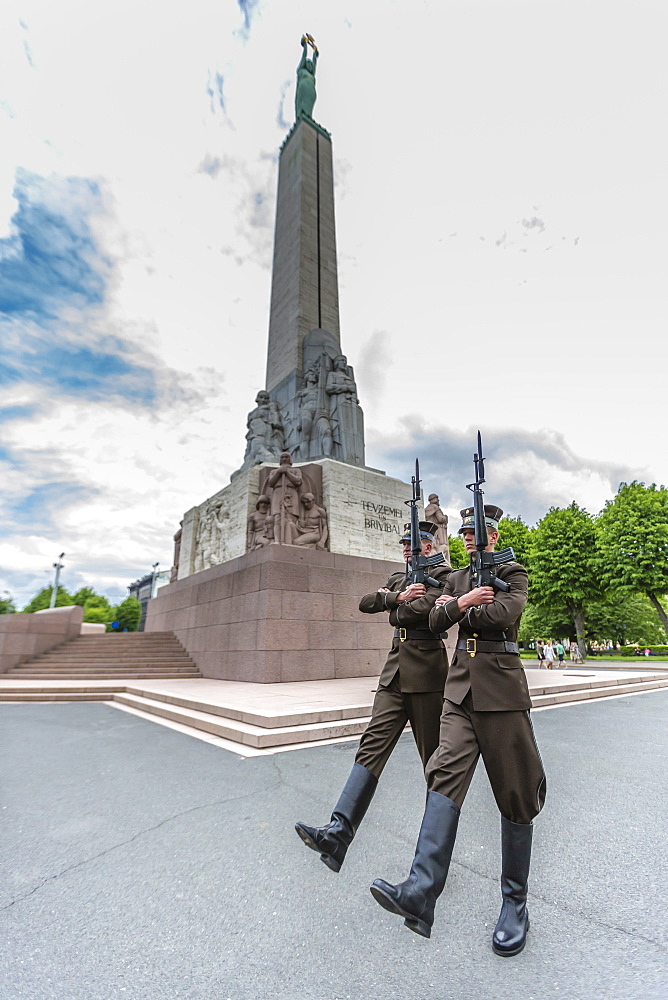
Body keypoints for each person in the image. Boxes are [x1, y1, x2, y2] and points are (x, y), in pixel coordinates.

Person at [370, 504, 546, 957]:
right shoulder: (455, 580)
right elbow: (432, 621)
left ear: (494, 532)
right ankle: (420, 892)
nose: (469, 536)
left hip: (502, 694)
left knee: (516, 794)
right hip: (459, 692)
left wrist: (456, 613)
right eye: (465, 530)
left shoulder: (515, 571)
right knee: (442, 776)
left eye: (477, 530)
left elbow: (504, 615)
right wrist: (462, 603)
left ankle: (514, 904)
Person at [295, 522, 451, 872]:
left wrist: (396, 610)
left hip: (427, 680)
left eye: (412, 545)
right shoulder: (400, 578)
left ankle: (430, 861)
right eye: (403, 545)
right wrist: (396, 598)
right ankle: (338, 832)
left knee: (435, 765)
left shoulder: (445, 574)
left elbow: (426, 613)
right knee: (370, 747)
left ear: (428, 546)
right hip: (394, 677)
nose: (406, 550)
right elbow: (366, 603)